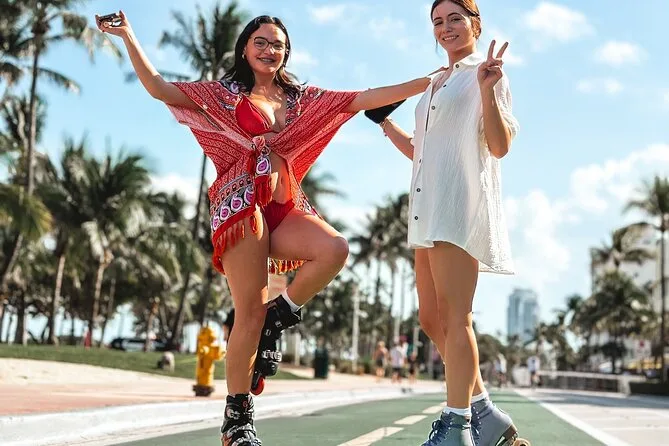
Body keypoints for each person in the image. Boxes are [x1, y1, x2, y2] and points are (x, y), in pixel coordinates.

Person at [96, 11, 431, 446]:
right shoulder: (221, 95)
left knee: (334, 249)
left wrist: (430, 80)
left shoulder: (302, 99)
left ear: (286, 53)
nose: (270, 50)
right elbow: (159, 87)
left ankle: (279, 314)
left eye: (278, 44)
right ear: (244, 47)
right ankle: (237, 421)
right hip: (240, 208)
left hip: (282, 208)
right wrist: (128, 35)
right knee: (248, 314)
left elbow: (363, 98)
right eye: (261, 41)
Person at [375, 1, 520, 445]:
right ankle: (485, 414)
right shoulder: (436, 82)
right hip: (427, 207)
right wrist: (385, 123)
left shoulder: (485, 73)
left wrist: (488, 91)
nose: (446, 27)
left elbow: (499, 146)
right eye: (437, 21)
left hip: (457, 207)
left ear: (475, 24)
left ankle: (457, 428)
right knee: (430, 319)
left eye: (455, 18)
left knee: (456, 318)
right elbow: (422, 151)